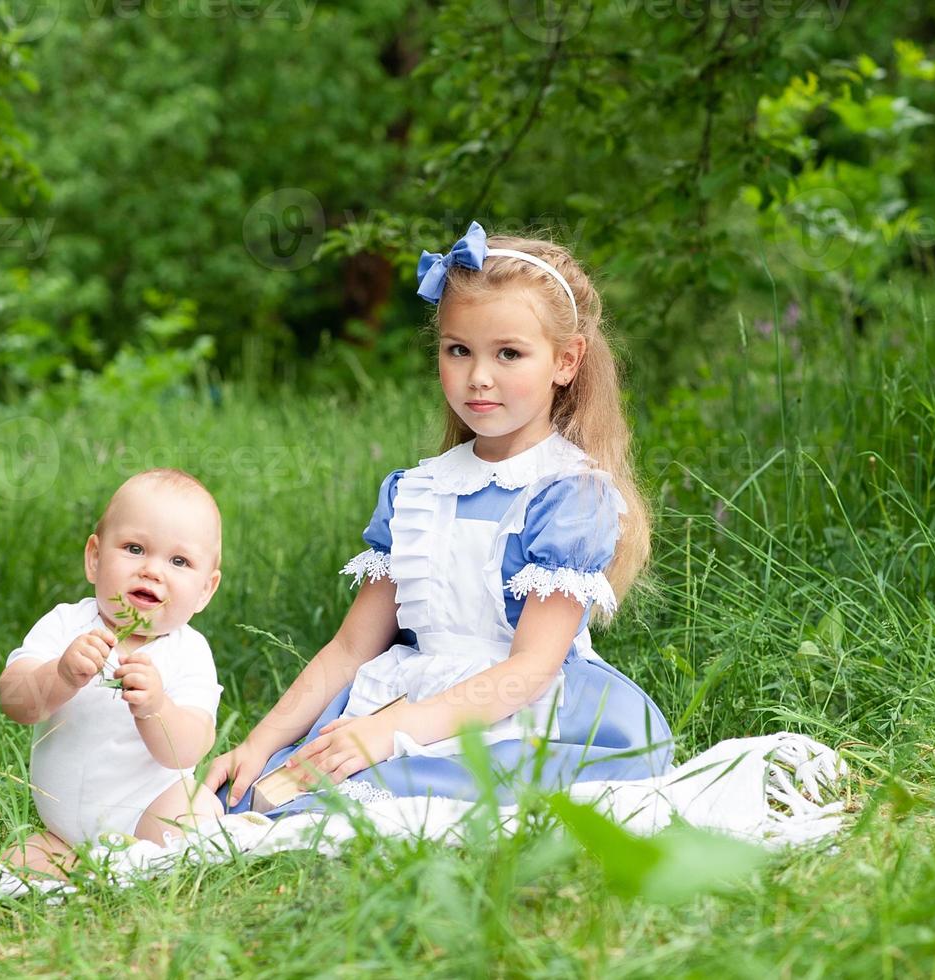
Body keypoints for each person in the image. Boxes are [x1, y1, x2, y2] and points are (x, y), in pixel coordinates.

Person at [208, 221, 672, 816]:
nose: (479, 375)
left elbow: (530, 669)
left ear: (566, 361)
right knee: (245, 796)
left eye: (509, 353)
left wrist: (395, 730)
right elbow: (351, 649)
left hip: (515, 714)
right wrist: (260, 740)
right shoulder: (416, 491)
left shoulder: (568, 494)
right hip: (407, 692)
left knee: (368, 804)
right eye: (459, 350)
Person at [0, 468, 226, 877]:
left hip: (150, 809)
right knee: (13, 867)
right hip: (64, 827)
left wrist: (156, 708)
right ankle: (93, 864)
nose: (152, 570)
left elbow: (189, 748)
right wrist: (59, 676)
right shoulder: (67, 625)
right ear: (95, 558)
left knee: (193, 825)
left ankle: (142, 861)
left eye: (179, 560)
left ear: (205, 590)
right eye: (135, 548)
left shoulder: (189, 651)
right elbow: (14, 701)